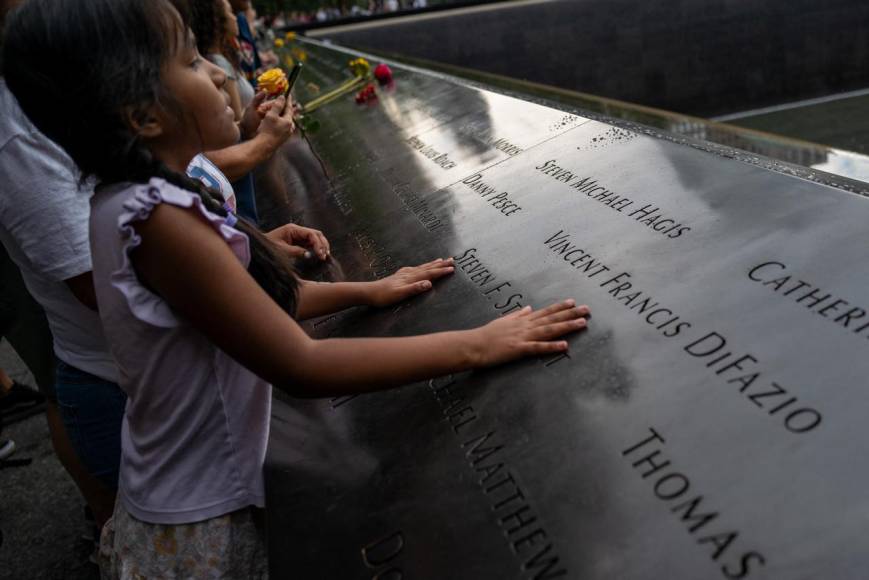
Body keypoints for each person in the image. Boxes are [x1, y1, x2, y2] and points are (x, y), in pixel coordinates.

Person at [3, 0, 590, 576]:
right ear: (143, 117)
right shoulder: (160, 221)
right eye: (189, 61)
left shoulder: (125, 200)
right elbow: (301, 362)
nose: (216, 72)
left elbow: (251, 304)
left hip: (183, 491)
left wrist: (368, 290)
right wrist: (477, 344)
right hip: (203, 523)